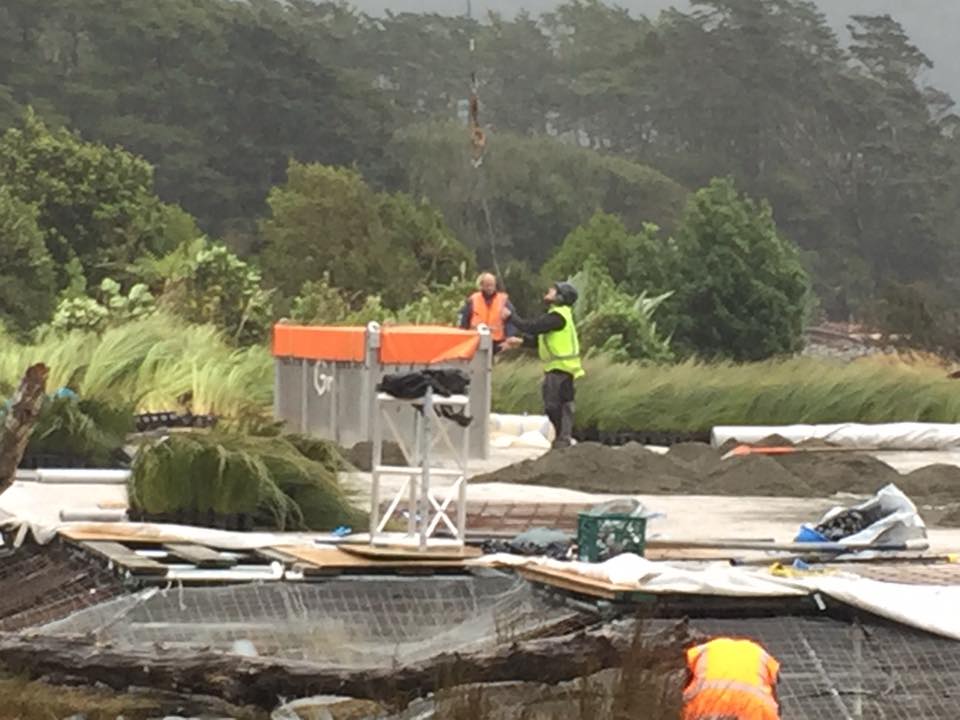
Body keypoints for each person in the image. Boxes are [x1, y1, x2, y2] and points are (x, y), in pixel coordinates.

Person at [501, 281, 583, 448]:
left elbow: (531, 327)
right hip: (562, 369)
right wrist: (522, 342)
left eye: (554, 290)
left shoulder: (557, 317)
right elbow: (543, 342)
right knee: (560, 405)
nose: (549, 291)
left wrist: (511, 317)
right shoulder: (559, 316)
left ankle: (563, 439)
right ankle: (562, 439)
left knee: (555, 406)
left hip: (560, 369)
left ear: (560, 298)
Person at [682, 637, 781, 720]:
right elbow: (776, 683)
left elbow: (684, 679)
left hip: (705, 705)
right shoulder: (759, 652)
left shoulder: (703, 650)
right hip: (754, 709)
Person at [458, 272, 516, 353]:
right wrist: (462, 338)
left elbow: (512, 321)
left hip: (497, 343)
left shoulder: (503, 300)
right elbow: (464, 320)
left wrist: (509, 337)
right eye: (487, 285)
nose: (490, 288)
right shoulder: (473, 299)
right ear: (481, 285)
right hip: (476, 341)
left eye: (492, 285)